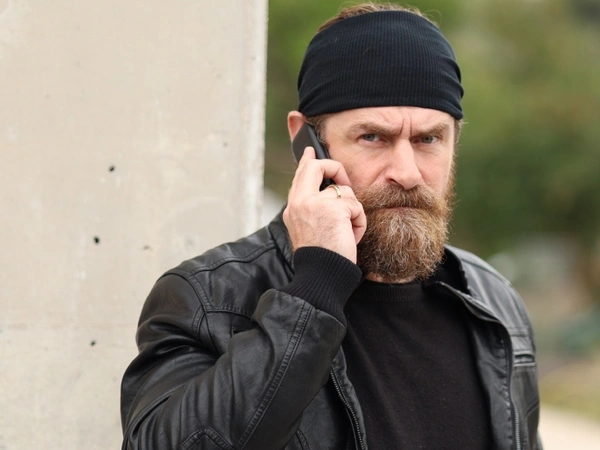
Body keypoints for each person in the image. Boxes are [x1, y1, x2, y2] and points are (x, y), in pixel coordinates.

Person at [120, 3, 542, 449]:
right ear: (307, 143)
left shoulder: (494, 304)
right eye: (373, 137)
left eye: (428, 139)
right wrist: (316, 287)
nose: (407, 172)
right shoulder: (208, 300)